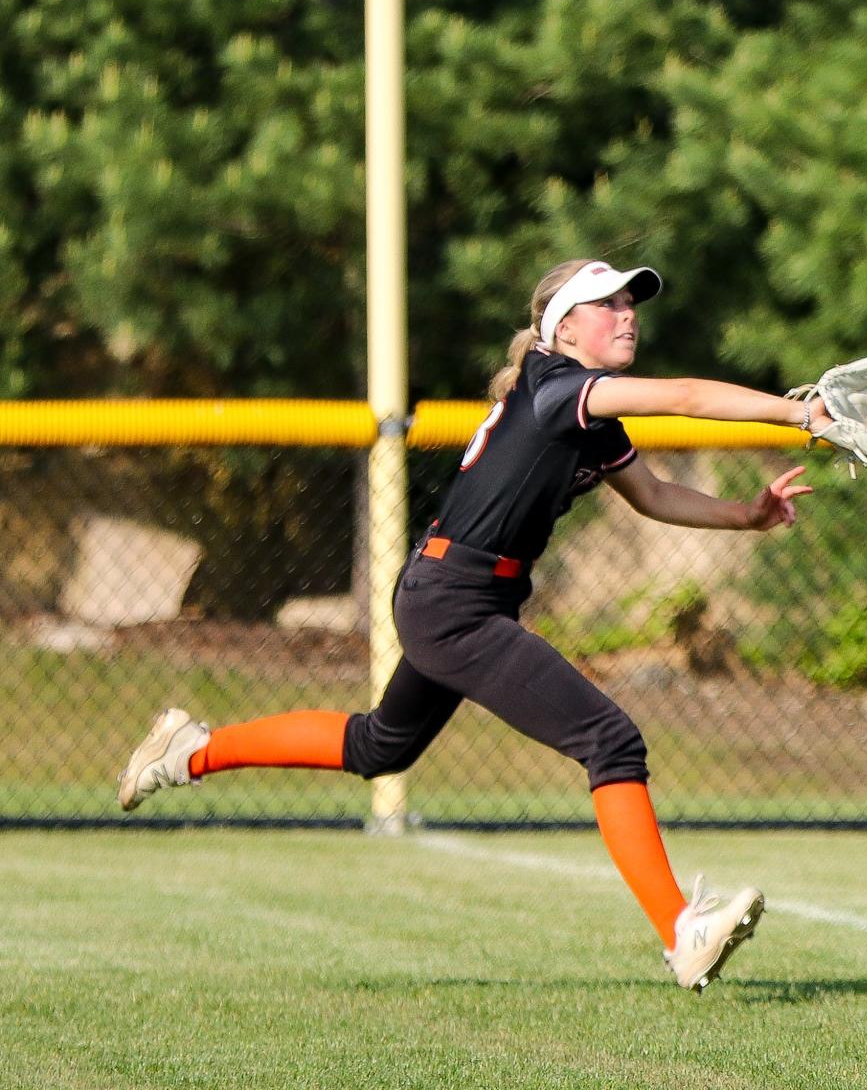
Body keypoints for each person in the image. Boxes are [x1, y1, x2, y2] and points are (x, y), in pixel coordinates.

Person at [116, 258, 829, 992]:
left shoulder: (585, 410)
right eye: (606, 303)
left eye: (629, 302)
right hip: (453, 601)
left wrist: (745, 516)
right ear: (563, 328)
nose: (625, 313)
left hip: (456, 595)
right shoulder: (559, 388)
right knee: (609, 740)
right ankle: (682, 930)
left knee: (377, 745)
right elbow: (683, 396)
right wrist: (800, 413)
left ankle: (190, 750)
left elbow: (648, 492)